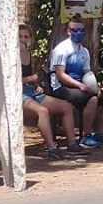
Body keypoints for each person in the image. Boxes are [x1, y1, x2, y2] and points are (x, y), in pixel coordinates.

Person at [48, 15, 103, 149]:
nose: (78, 33)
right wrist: (79, 85)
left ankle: (98, 133)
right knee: (92, 99)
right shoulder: (61, 50)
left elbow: (87, 71)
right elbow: (61, 75)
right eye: (74, 30)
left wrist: (93, 85)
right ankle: (85, 137)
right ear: (68, 31)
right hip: (61, 87)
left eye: (81, 30)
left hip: (81, 85)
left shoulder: (84, 51)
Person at [19, 24, 86, 159]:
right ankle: (51, 148)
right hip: (17, 94)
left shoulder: (30, 55)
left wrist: (36, 84)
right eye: (19, 37)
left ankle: (72, 144)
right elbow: (9, 81)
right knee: (42, 111)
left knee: (66, 106)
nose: (22, 40)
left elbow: (34, 78)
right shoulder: (11, 56)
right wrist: (29, 79)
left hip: (32, 92)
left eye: (26, 37)